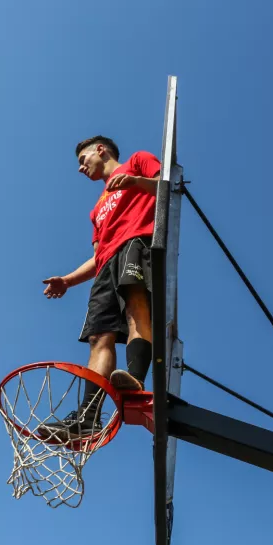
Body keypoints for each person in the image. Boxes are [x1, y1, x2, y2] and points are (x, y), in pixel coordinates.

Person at [39, 135, 160, 440]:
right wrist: (67, 280)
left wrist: (135, 182)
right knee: (98, 337)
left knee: (135, 307)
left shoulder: (137, 161)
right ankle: (86, 418)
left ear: (101, 150)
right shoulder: (97, 209)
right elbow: (97, 255)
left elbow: (167, 187)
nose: (81, 168)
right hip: (106, 265)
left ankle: (134, 379)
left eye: (83, 160)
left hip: (136, 243)